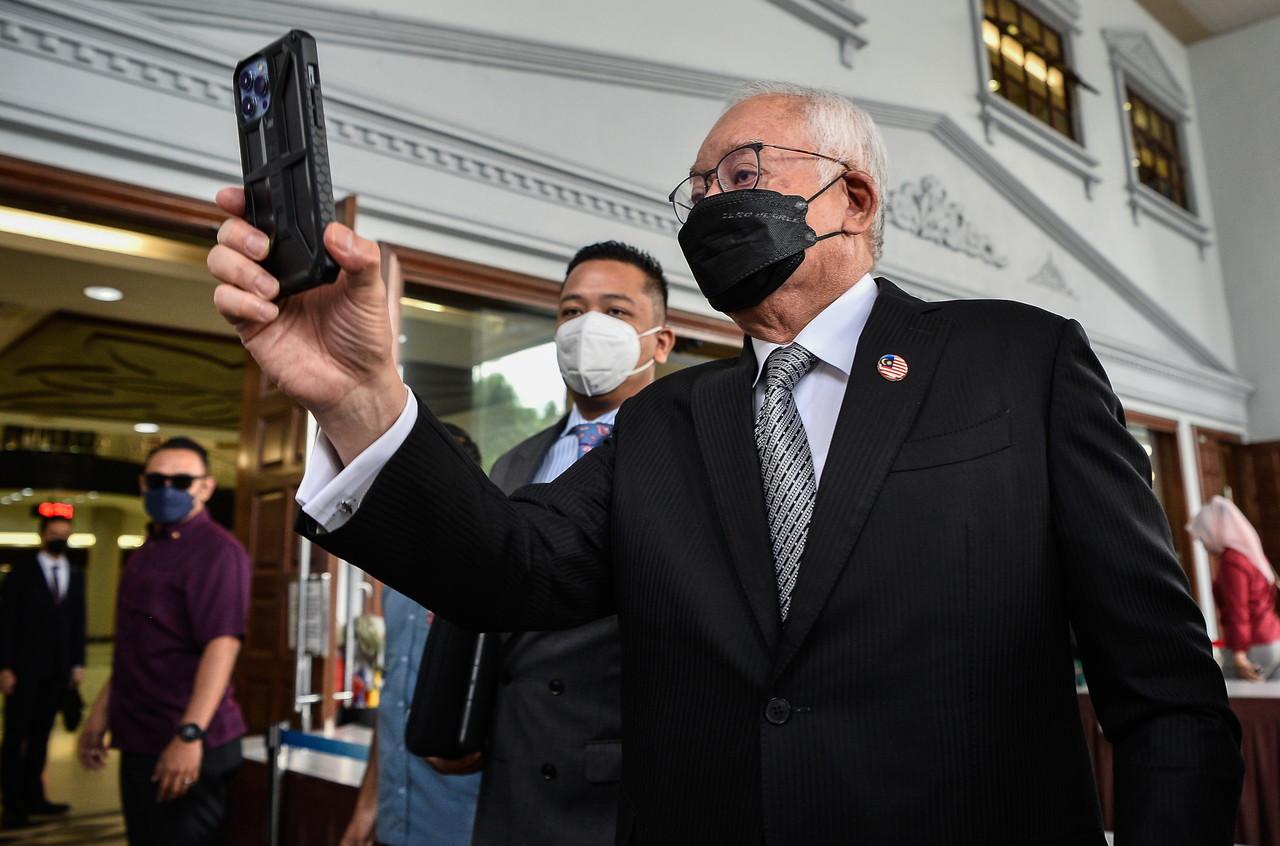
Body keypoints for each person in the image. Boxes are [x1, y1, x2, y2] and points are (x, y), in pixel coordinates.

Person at [207, 81, 1244, 845]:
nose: (709, 204)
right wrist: (358, 399)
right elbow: (509, 566)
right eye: (695, 189)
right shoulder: (665, 421)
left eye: (741, 174)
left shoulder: (1017, 362)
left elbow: (1162, 691)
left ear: (854, 198)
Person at [423, 242, 674, 846]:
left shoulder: (685, 459)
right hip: (512, 775)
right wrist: (456, 719)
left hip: (619, 784)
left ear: (660, 342)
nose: (588, 327)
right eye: (571, 311)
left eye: (615, 311)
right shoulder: (514, 462)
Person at [77, 437, 250, 846]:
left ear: (205, 487)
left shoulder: (217, 551)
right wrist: (101, 714)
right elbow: (138, 646)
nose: (166, 490)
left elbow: (222, 645)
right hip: (140, 737)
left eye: (181, 481)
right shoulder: (145, 551)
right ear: (143, 484)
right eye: (156, 481)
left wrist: (189, 735)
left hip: (187, 739)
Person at [340, 423, 484, 846]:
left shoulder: (487, 583)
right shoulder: (397, 584)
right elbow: (394, 703)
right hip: (395, 819)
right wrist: (366, 808)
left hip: (462, 826)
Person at [0, 513, 85, 829]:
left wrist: (77, 663)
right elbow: (6, 623)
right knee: (16, 736)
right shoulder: (21, 574)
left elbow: (77, 621)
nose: (59, 538)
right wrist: (4, 666)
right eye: (54, 533)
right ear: (42, 535)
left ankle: (35, 796)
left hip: (57, 671)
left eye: (64, 533)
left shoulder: (74, 573)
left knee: (41, 735)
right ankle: (12, 803)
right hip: (24, 670)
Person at [1193, 495, 1280, 681]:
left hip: (1254, 646)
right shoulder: (1250, 554)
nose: (1203, 543)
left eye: (1203, 536)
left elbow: (1237, 609)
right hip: (1272, 639)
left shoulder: (1232, 562)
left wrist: (1239, 654)